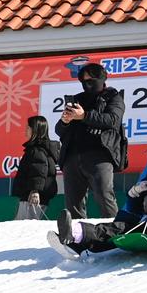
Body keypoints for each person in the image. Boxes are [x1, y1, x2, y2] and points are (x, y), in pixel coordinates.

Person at [55, 62, 127, 219]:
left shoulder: (113, 98)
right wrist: (65, 121)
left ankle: (115, 232)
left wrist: (84, 116)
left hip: (100, 154)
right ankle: (76, 237)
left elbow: (112, 120)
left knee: (104, 195)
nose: (87, 85)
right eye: (83, 82)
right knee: (73, 202)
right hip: (72, 156)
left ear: (101, 79)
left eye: (91, 81)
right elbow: (59, 131)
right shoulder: (77, 100)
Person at [11, 115, 60, 220]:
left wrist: (34, 191)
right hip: (33, 196)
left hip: (32, 198)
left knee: (25, 227)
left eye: (28, 128)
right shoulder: (41, 149)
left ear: (35, 130)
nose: (25, 130)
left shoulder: (37, 150)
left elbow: (39, 171)